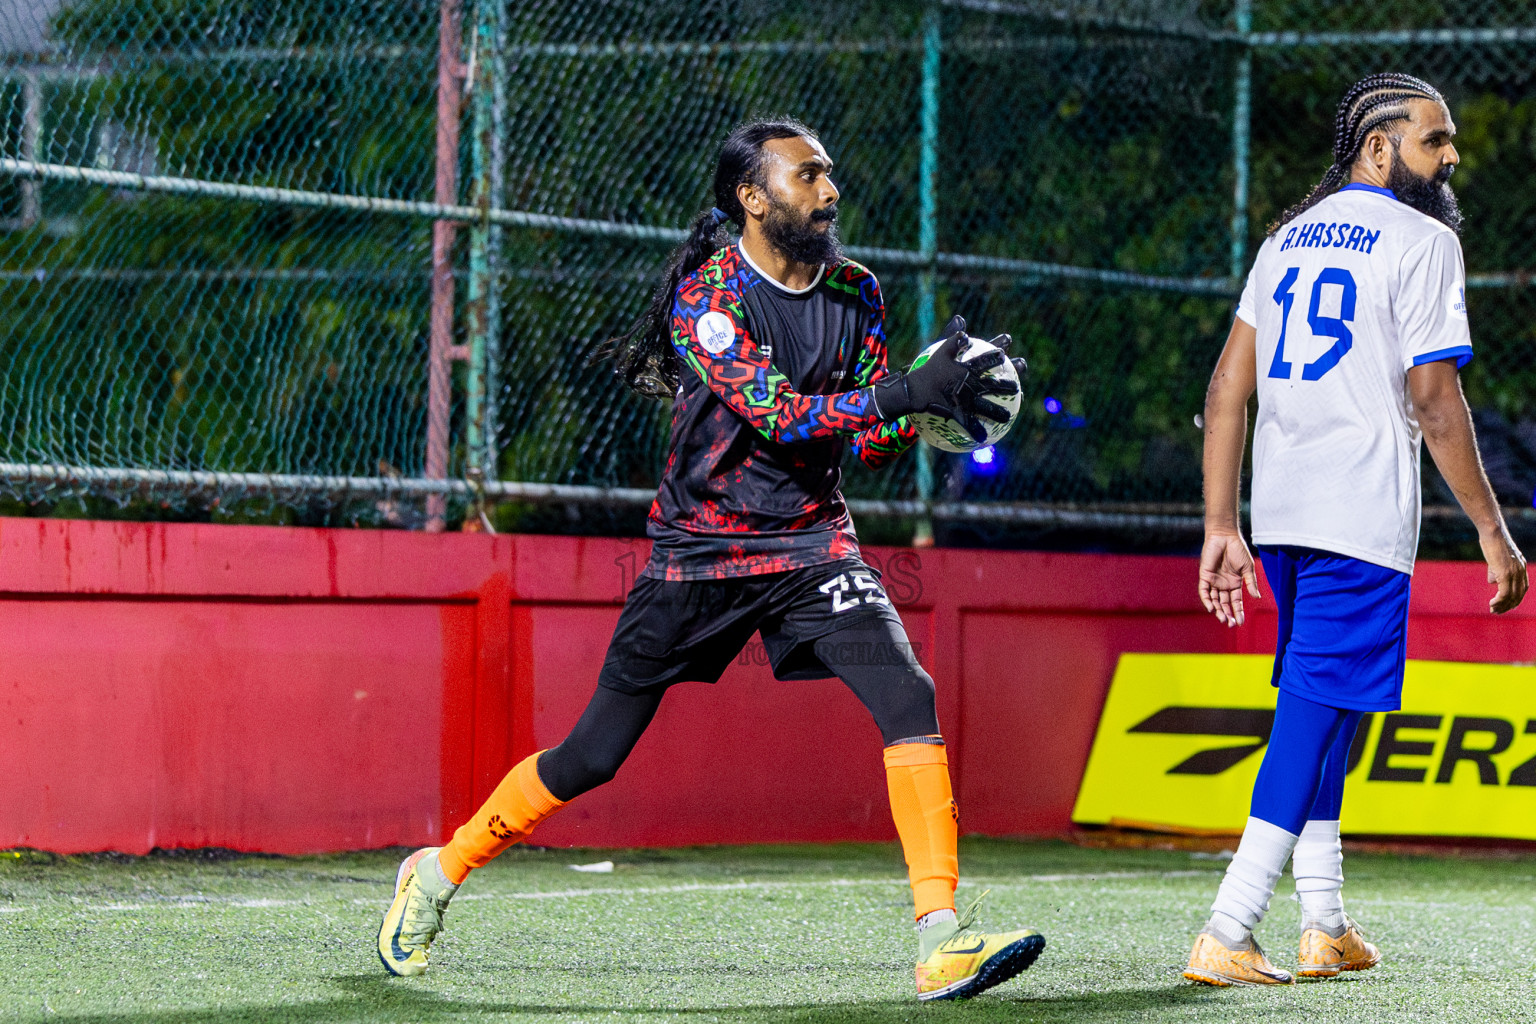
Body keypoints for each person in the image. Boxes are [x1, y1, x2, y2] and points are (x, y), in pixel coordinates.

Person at [377, 117, 1043, 1001]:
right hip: (700, 555)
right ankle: (434, 874)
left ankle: (940, 941)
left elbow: (863, 437)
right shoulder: (710, 299)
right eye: (807, 176)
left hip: (812, 546)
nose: (830, 190)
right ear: (753, 198)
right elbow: (781, 416)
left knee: (906, 691)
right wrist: (900, 393)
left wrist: (931, 408)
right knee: (591, 756)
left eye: (828, 174)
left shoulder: (858, 291)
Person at [1187, 72, 1528, 987]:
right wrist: (1493, 533)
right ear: (1379, 147)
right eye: (1434, 139)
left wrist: (1221, 523)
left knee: (1326, 709)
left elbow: (1225, 389)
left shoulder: (1283, 241)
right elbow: (1435, 401)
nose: (1451, 156)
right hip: (1359, 514)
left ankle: (1324, 923)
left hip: (1283, 515)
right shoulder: (1424, 241)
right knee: (1311, 715)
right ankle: (1229, 925)